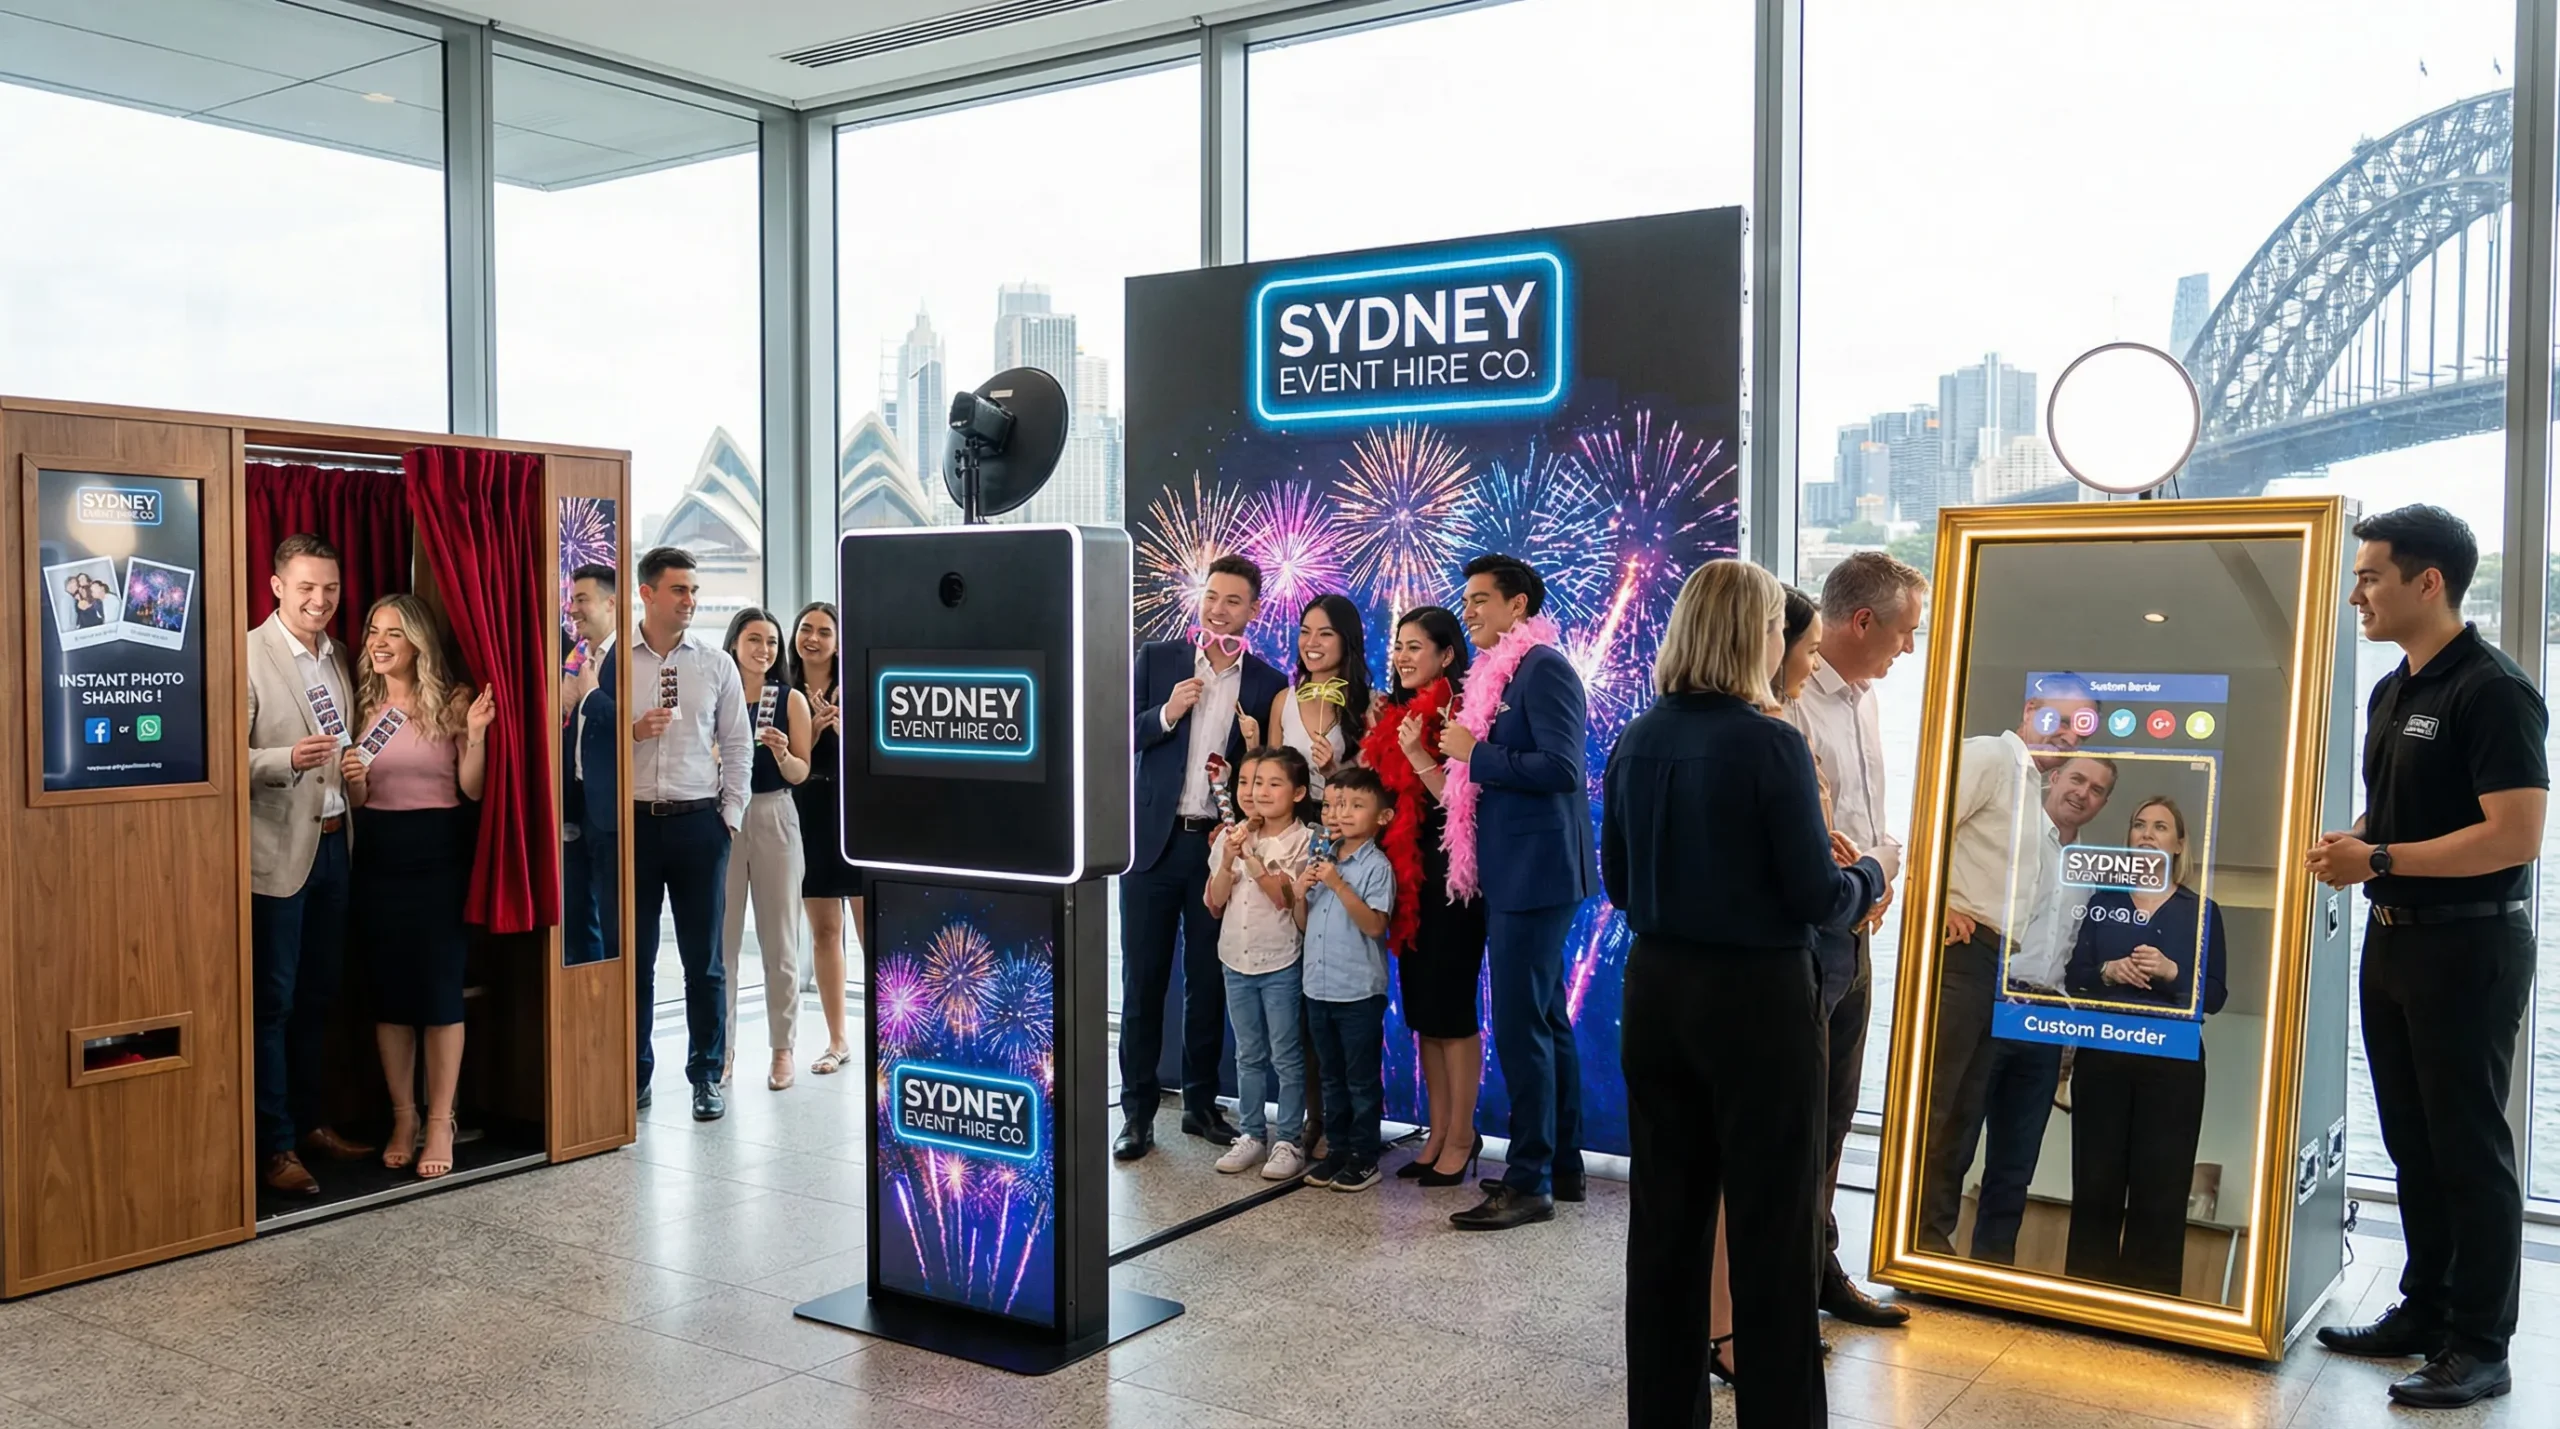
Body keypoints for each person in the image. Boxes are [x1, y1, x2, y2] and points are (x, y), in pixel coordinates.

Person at [1604, 559, 1884, 1429]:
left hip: (1656, 991)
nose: (1782, 639)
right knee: (1771, 1226)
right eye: (1775, 626)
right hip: (1756, 1000)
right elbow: (1815, 895)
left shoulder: (1636, 738)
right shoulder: (1770, 742)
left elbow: (1618, 882)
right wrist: (1871, 874)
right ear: (1750, 636)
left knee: (1666, 1226)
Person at [2309, 505, 2545, 1411]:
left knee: (2469, 1147)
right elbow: (2399, 812)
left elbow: (2515, 834)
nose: (2357, 591)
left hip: (2471, 943)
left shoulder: (2492, 689)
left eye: (2371, 575)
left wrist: (2377, 859)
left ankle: (2481, 1345)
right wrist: (2362, 840)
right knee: (2412, 1139)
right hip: (2395, 937)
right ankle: (2427, 1308)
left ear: (2427, 581)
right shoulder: (2392, 688)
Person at [1778, 548, 1926, 1330]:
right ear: (1861, 620)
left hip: (1858, 919)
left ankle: (1820, 1259)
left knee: (1837, 1110)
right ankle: (1788, 1276)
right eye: (1904, 632)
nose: (1910, 649)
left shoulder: (1865, 699)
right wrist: (1860, 866)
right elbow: (1807, 836)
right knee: (1804, 1112)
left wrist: (1880, 873)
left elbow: (1861, 816)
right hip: (1810, 928)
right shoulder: (1792, 701)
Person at [1914, 672, 2097, 1255]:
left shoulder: (2030, 795)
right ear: (2031, 710)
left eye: (2081, 728)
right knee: (1939, 1105)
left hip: (1997, 964)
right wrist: (1938, 900)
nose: (2069, 736)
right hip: (1961, 956)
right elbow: (1926, 824)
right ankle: (1914, 1233)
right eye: (2061, 720)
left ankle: (1934, 1239)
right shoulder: (1991, 757)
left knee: (1964, 1112)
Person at [1443, 553, 1596, 1231]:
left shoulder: (1545, 668)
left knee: (1520, 1023)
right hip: (1517, 871)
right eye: (1467, 599)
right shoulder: (1501, 670)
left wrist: (1475, 753)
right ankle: (1562, 1164)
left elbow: (1562, 768)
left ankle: (1528, 1179)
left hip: (1536, 876)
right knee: (1545, 1019)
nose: (1469, 610)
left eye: (1481, 600)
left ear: (1518, 606)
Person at [1120, 554, 1290, 1160]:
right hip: (1151, 846)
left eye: (1233, 601)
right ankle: (1136, 1113)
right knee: (1142, 983)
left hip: (1221, 851)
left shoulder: (1268, 683)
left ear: (1254, 612)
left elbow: (1274, 773)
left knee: (1210, 985)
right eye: (1211, 597)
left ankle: (1199, 1106)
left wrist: (1253, 749)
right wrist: (1167, 711)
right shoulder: (1159, 659)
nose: (1218, 609)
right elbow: (1117, 731)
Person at [338, 594, 491, 1180]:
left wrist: (475, 736)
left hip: (438, 853)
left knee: (437, 992)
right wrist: (352, 780)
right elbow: (356, 801)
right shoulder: (359, 706)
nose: (378, 643)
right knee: (389, 995)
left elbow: (471, 791)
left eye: (393, 634)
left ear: (418, 643)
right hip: (376, 851)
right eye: (373, 630)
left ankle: (439, 1120)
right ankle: (403, 1116)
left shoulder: (450, 701)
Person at [245, 533, 376, 1196]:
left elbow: (349, 747)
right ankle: (273, 1146)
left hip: (333, 845)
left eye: (329, 587)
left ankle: (311, 1122)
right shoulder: (245, 654)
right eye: (305, 587)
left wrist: (354, 771)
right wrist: (283, 759)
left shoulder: (343, 657)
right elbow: (222, 762)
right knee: (272, 1002)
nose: (320, 599)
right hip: (272, 855)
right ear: (275, 586)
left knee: (321, 996)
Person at [2064, 795, 2227, 1295]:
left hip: (2172, 1068)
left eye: (2160, 827)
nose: (2148, 834)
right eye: (2139, 825)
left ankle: (2150, 1307)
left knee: (2162, 1189)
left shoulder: (2201, 911)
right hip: (2104, 1059)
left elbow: (2215, 995)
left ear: (2178, 844)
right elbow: (2074, 977)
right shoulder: (2102, 901)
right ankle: (2085, 1301)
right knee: (2095, 1185)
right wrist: (2108, 971)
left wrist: (2173, 973)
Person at [1966, 753, 2116, 1265]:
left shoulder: (2089, 872)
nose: (2083, 793)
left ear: (2102, 803)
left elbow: (2074, 958)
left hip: (2048, 1022)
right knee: (1956, 1142)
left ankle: (1991, 1269)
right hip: (1994, 1002)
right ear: (2054, 778)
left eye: (2097, 789)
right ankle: (1932, 1264)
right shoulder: (2013, 841)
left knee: (2016, 1163)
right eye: (2077, 778)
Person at [1361, 606, 1486, 1187]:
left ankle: (1462, 1135)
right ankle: (1437, 1132)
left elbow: (1463, 810)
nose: (1404, 657)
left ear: (1446, 655)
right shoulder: (1398, 714)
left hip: (1452, 877)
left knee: (1453, 1012)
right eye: (1399, 646)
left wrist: (1418, 755)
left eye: (1416, 647)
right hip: (1407, 880)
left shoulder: (1461, 713)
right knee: (1425, 1014)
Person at [627, 546, 753, 1122]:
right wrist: (632, 731)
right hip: (632, 826)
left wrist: (730, 817)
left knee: (704, 962)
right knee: (637, 960)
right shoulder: (612, 663)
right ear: (647, 593)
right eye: (679, 590)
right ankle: (634, 1077)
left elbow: (736, 746)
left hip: (700, 823)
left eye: (694, 591)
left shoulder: (714, 664)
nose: (691, 601)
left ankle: (706, 1075)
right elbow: (583, 745)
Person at [1204, 747, 1314, 1181]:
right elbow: (1213, 903)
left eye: (1273, 783)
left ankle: (1288, 1139)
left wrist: (1250, 856)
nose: (1259, 792)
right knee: (1248, 1053)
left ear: (1298, 791)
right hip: (1235, 958)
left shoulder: (1304, 840)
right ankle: (1251, 1133)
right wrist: (1228, 857)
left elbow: (1284, 898)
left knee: (1286, 1055)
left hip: (1280, 961)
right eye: (1252, 783)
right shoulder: (1231, 836)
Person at [720, 607, 813, 1092]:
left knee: (779, 942)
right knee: (723, 943)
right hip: (724, 817)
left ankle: (783, 1050)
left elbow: (801, 772)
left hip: (775, 813)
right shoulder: (718, 693)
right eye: (754, 639)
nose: (764, 650)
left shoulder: (791, 699)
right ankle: (723, 1048)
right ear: (735, 642)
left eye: (772, 642)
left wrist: (781, 753)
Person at [1292, 765, 1398, 1194]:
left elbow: (1375, 926)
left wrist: (1337, 885)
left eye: (1357, 805)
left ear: (1382, 817)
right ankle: (1336, 1150)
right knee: (1330, 1076)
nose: (1343, 813)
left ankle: (1364, 1156)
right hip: (1317, 988)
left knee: (1360, 1079)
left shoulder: (1376, 866)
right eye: (1336, 804)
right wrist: (1299, 894)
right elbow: (1302, 923)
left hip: (1357, 993)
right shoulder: (1323, 858)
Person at [789, 601, 858, 1076]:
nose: (813, 638)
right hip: (807, 815)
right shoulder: (785, 692)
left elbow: (883, 750)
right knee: (825, 931)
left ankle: (891, 1033)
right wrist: (811, 730)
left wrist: (845, 727)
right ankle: (837, 1039)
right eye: (805, 629)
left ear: (838, 641)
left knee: (872, 929)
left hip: (855, 818)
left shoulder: (856, 687)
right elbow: (786, 764)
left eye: (824, 631)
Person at [565, 565, 621, 970]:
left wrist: (590, 697)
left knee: (615, 926)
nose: (572, 608)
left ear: (611, 602)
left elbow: (630, 725)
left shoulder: (631, 659)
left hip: (614, 813)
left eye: (581, 599)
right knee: (578, 923)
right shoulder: (578, 658)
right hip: (576, 806)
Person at [1269, 593, 1371, 793]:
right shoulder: (1284, 700)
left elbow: (1375, 789)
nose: (1311, 642)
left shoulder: (1372, 704)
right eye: (1305, 632)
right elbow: (1271, 777)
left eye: (1325, 634)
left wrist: (1333, 771)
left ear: (1347, 640)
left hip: (1343, 820)